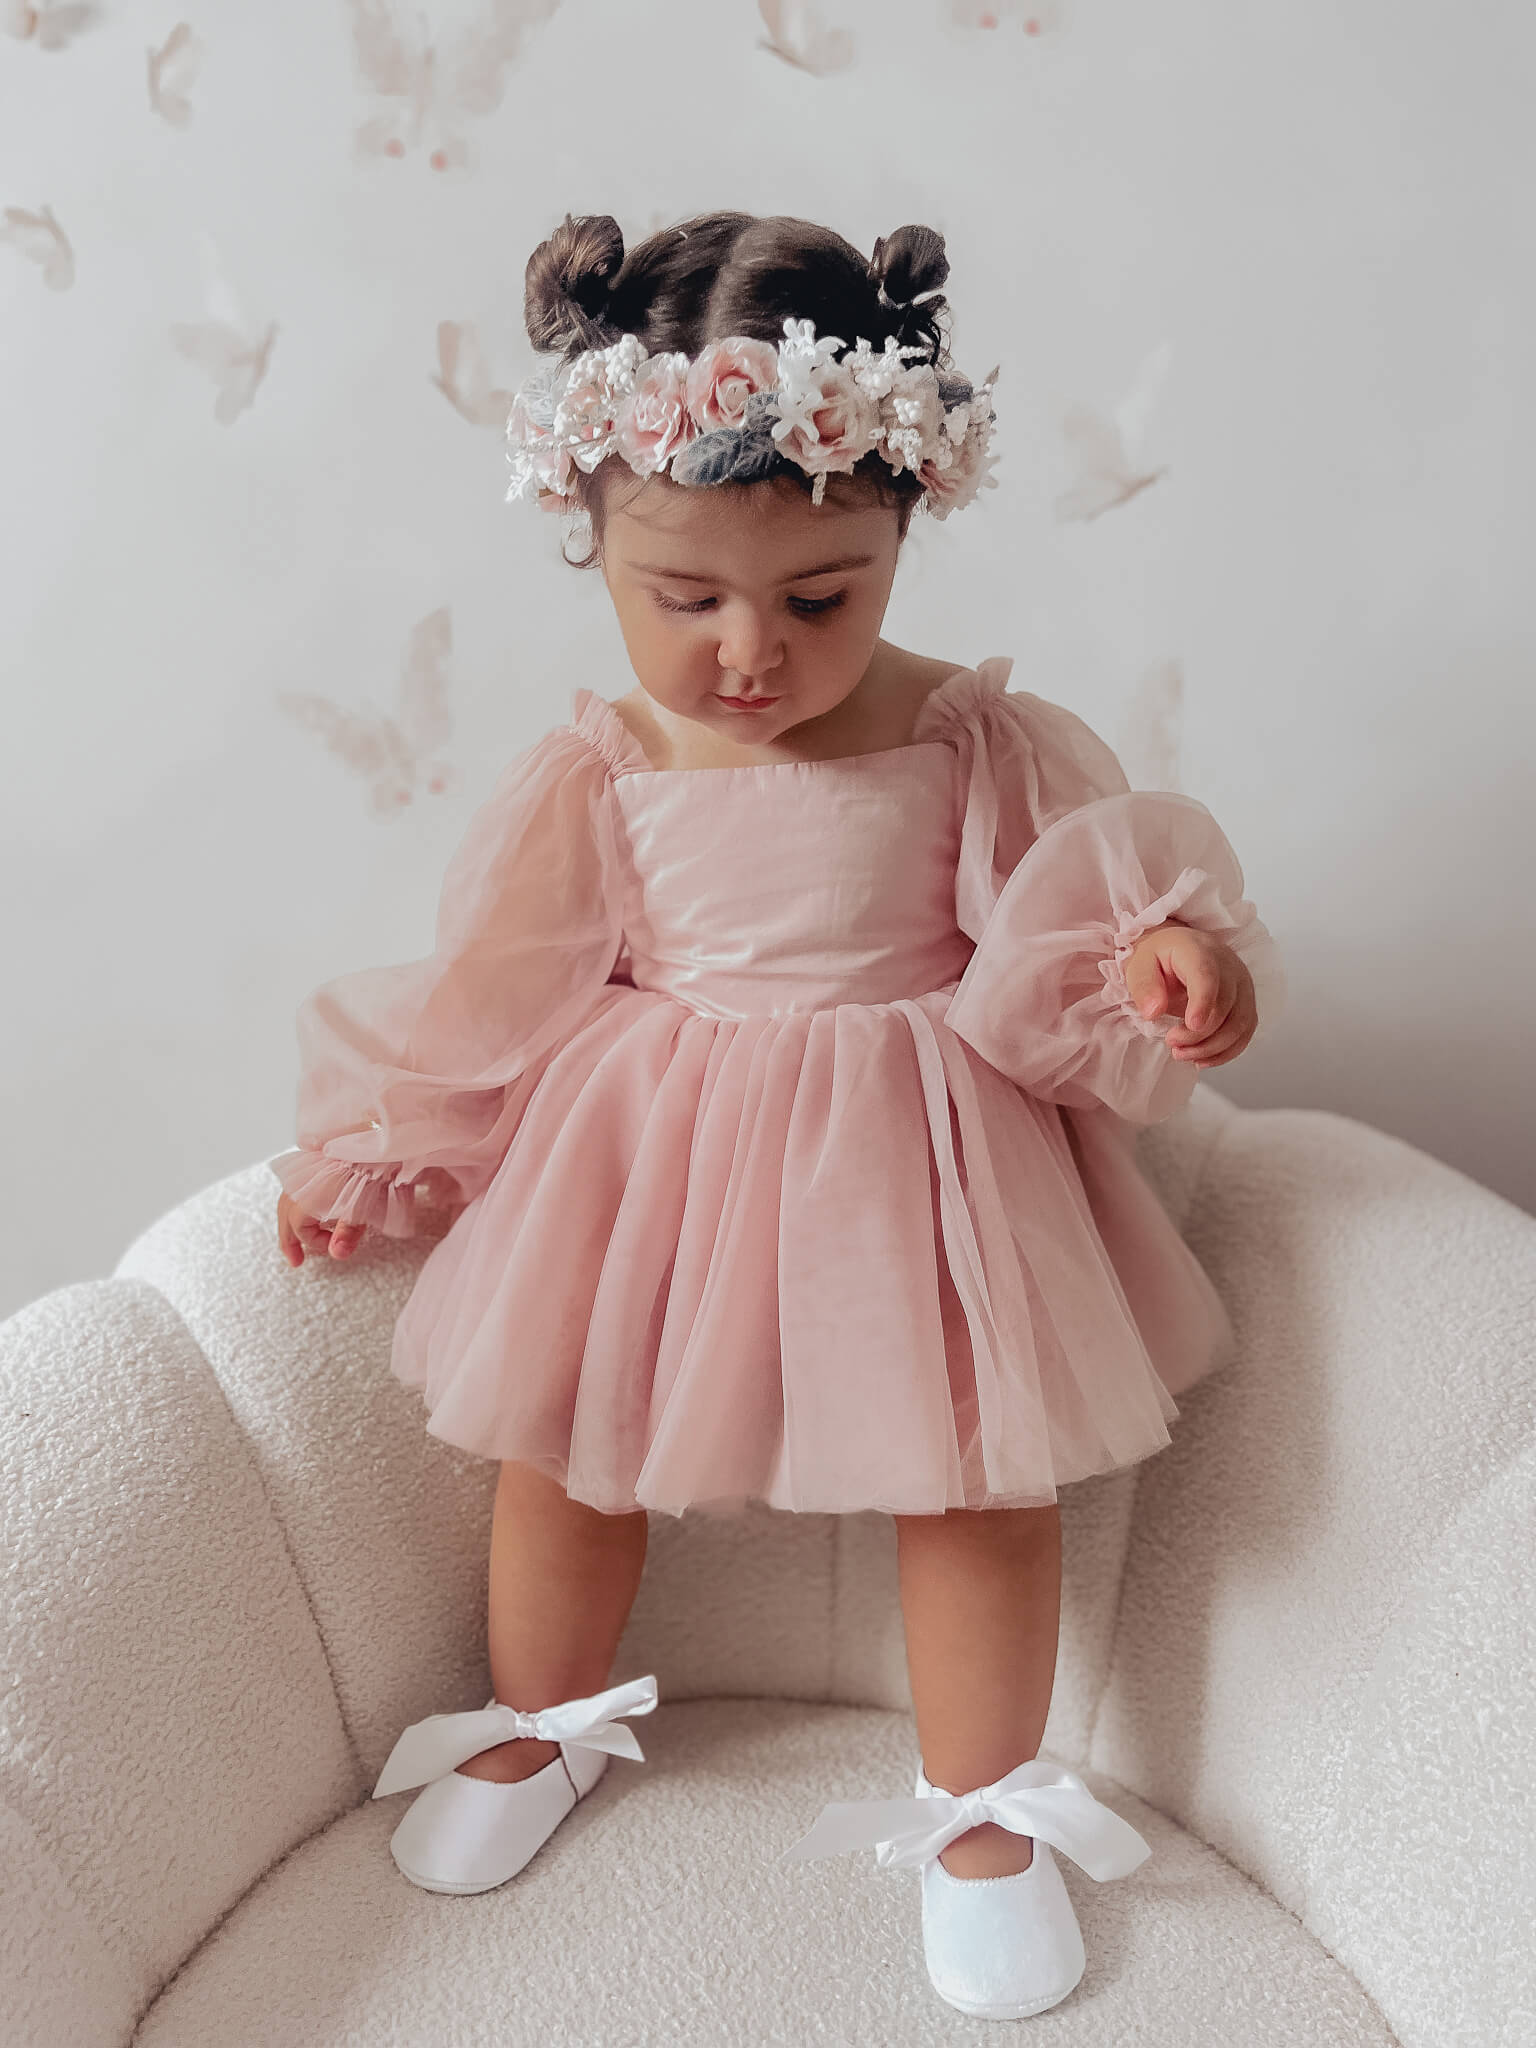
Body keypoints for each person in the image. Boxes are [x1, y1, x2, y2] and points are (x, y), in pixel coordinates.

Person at [269, 209, 1284, 2022]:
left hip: (924, 1156)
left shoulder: (968, 739)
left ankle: (982, 1808)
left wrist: (1161, 959)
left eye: (823, 598)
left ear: (903, 531)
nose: (753, 655)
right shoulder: (607, 768)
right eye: (689, 599)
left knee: (980, 1481)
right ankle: (544, 1720)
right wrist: (384, 1147)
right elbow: (505, 988)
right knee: (569, 1446)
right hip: (655, 1155)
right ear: (590, 539)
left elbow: (1058, 917)